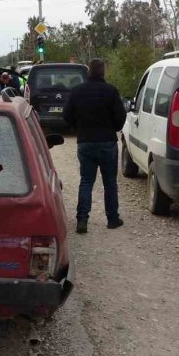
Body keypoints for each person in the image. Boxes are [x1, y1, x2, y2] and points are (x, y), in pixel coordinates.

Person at [62, 58, 126, 234]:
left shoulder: (77, 91)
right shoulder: (111, 91)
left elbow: (66, 115)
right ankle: (112, 219)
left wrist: (78, 128)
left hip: (85, 142)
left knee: (86, 182)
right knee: (110, 183)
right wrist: (113, 128)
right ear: (103, 72)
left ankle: (82, 220)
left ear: (88, 72)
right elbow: (121, 117)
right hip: (107, 142)